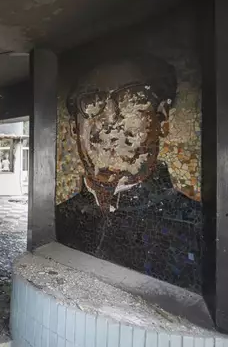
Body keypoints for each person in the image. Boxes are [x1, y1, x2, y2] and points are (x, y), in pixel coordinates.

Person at [56, 54, 202, 290]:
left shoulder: (195, 227)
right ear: (75, 127)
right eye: (92, 103)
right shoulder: (58, 219)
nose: (110, 120)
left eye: (132, 101)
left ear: (162, 118)